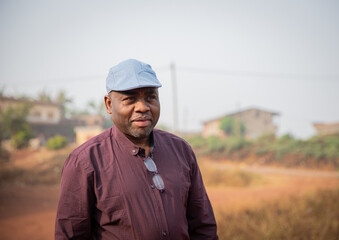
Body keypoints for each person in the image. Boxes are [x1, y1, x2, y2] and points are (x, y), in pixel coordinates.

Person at [55, 59, 218, 240]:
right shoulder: (85, 162)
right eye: (130, 99)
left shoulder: (181, 151)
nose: (142, 107)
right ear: (109, 104)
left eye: (150, 97)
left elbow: (203, 228)